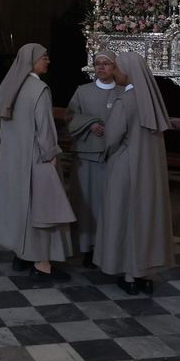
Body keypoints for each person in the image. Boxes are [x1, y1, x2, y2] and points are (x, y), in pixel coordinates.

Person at [0, 42, 74, 279]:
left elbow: (3, 131)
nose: (48, 60)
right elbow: (45, 130)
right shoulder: (40, 89)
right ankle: (41, 264)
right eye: (44, 57)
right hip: (36, 159)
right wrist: (50, 156)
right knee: (42, 211)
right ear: (32, 61)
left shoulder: (12, 88)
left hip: (13, 159)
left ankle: (20, 255)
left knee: (19, 206)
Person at [95, 49, 175, 295]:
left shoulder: (125, 100)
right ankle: (144, 274)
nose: (115, 73)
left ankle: (129, 275)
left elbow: (112, 136)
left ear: (127, 72)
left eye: (117, 69)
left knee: (125, 219)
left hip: (126, 168)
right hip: (149, 171)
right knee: (145, 218)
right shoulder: (150, 99)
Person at [64, 51, 122, 262]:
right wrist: (91, 124)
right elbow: (70, 116)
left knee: (110, 204)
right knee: (86, 203)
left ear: (114, 67)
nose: (101, 67)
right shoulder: (83, 91)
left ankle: (109, 247)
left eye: (106, 63)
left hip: (114, 157)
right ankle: (87, 247)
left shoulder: (123, 92)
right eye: (97, 64)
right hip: (86, 155)